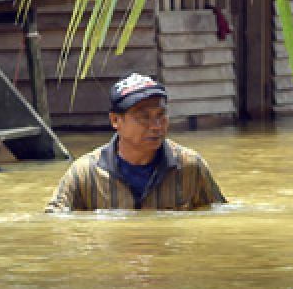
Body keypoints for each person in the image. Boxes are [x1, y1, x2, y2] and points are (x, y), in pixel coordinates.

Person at [45, 73, 227, 212]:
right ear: (116, 121)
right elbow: (55, 223)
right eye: (143, 117)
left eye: (161, 115)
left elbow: (218, 218)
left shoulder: (190, 167)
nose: (156, 126)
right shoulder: (84, 174)